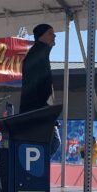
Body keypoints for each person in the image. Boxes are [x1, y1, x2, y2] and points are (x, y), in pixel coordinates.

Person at [20, 23, 62, 157]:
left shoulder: (39, 54)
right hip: (38, 113)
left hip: (37, 112)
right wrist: (44, 113)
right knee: (52, 143)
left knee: (46, 145)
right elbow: (35, 88)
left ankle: (34, 171)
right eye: (50, 33)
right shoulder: (38, 55)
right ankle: (34, 172)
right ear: (41, 36)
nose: (54, 36)